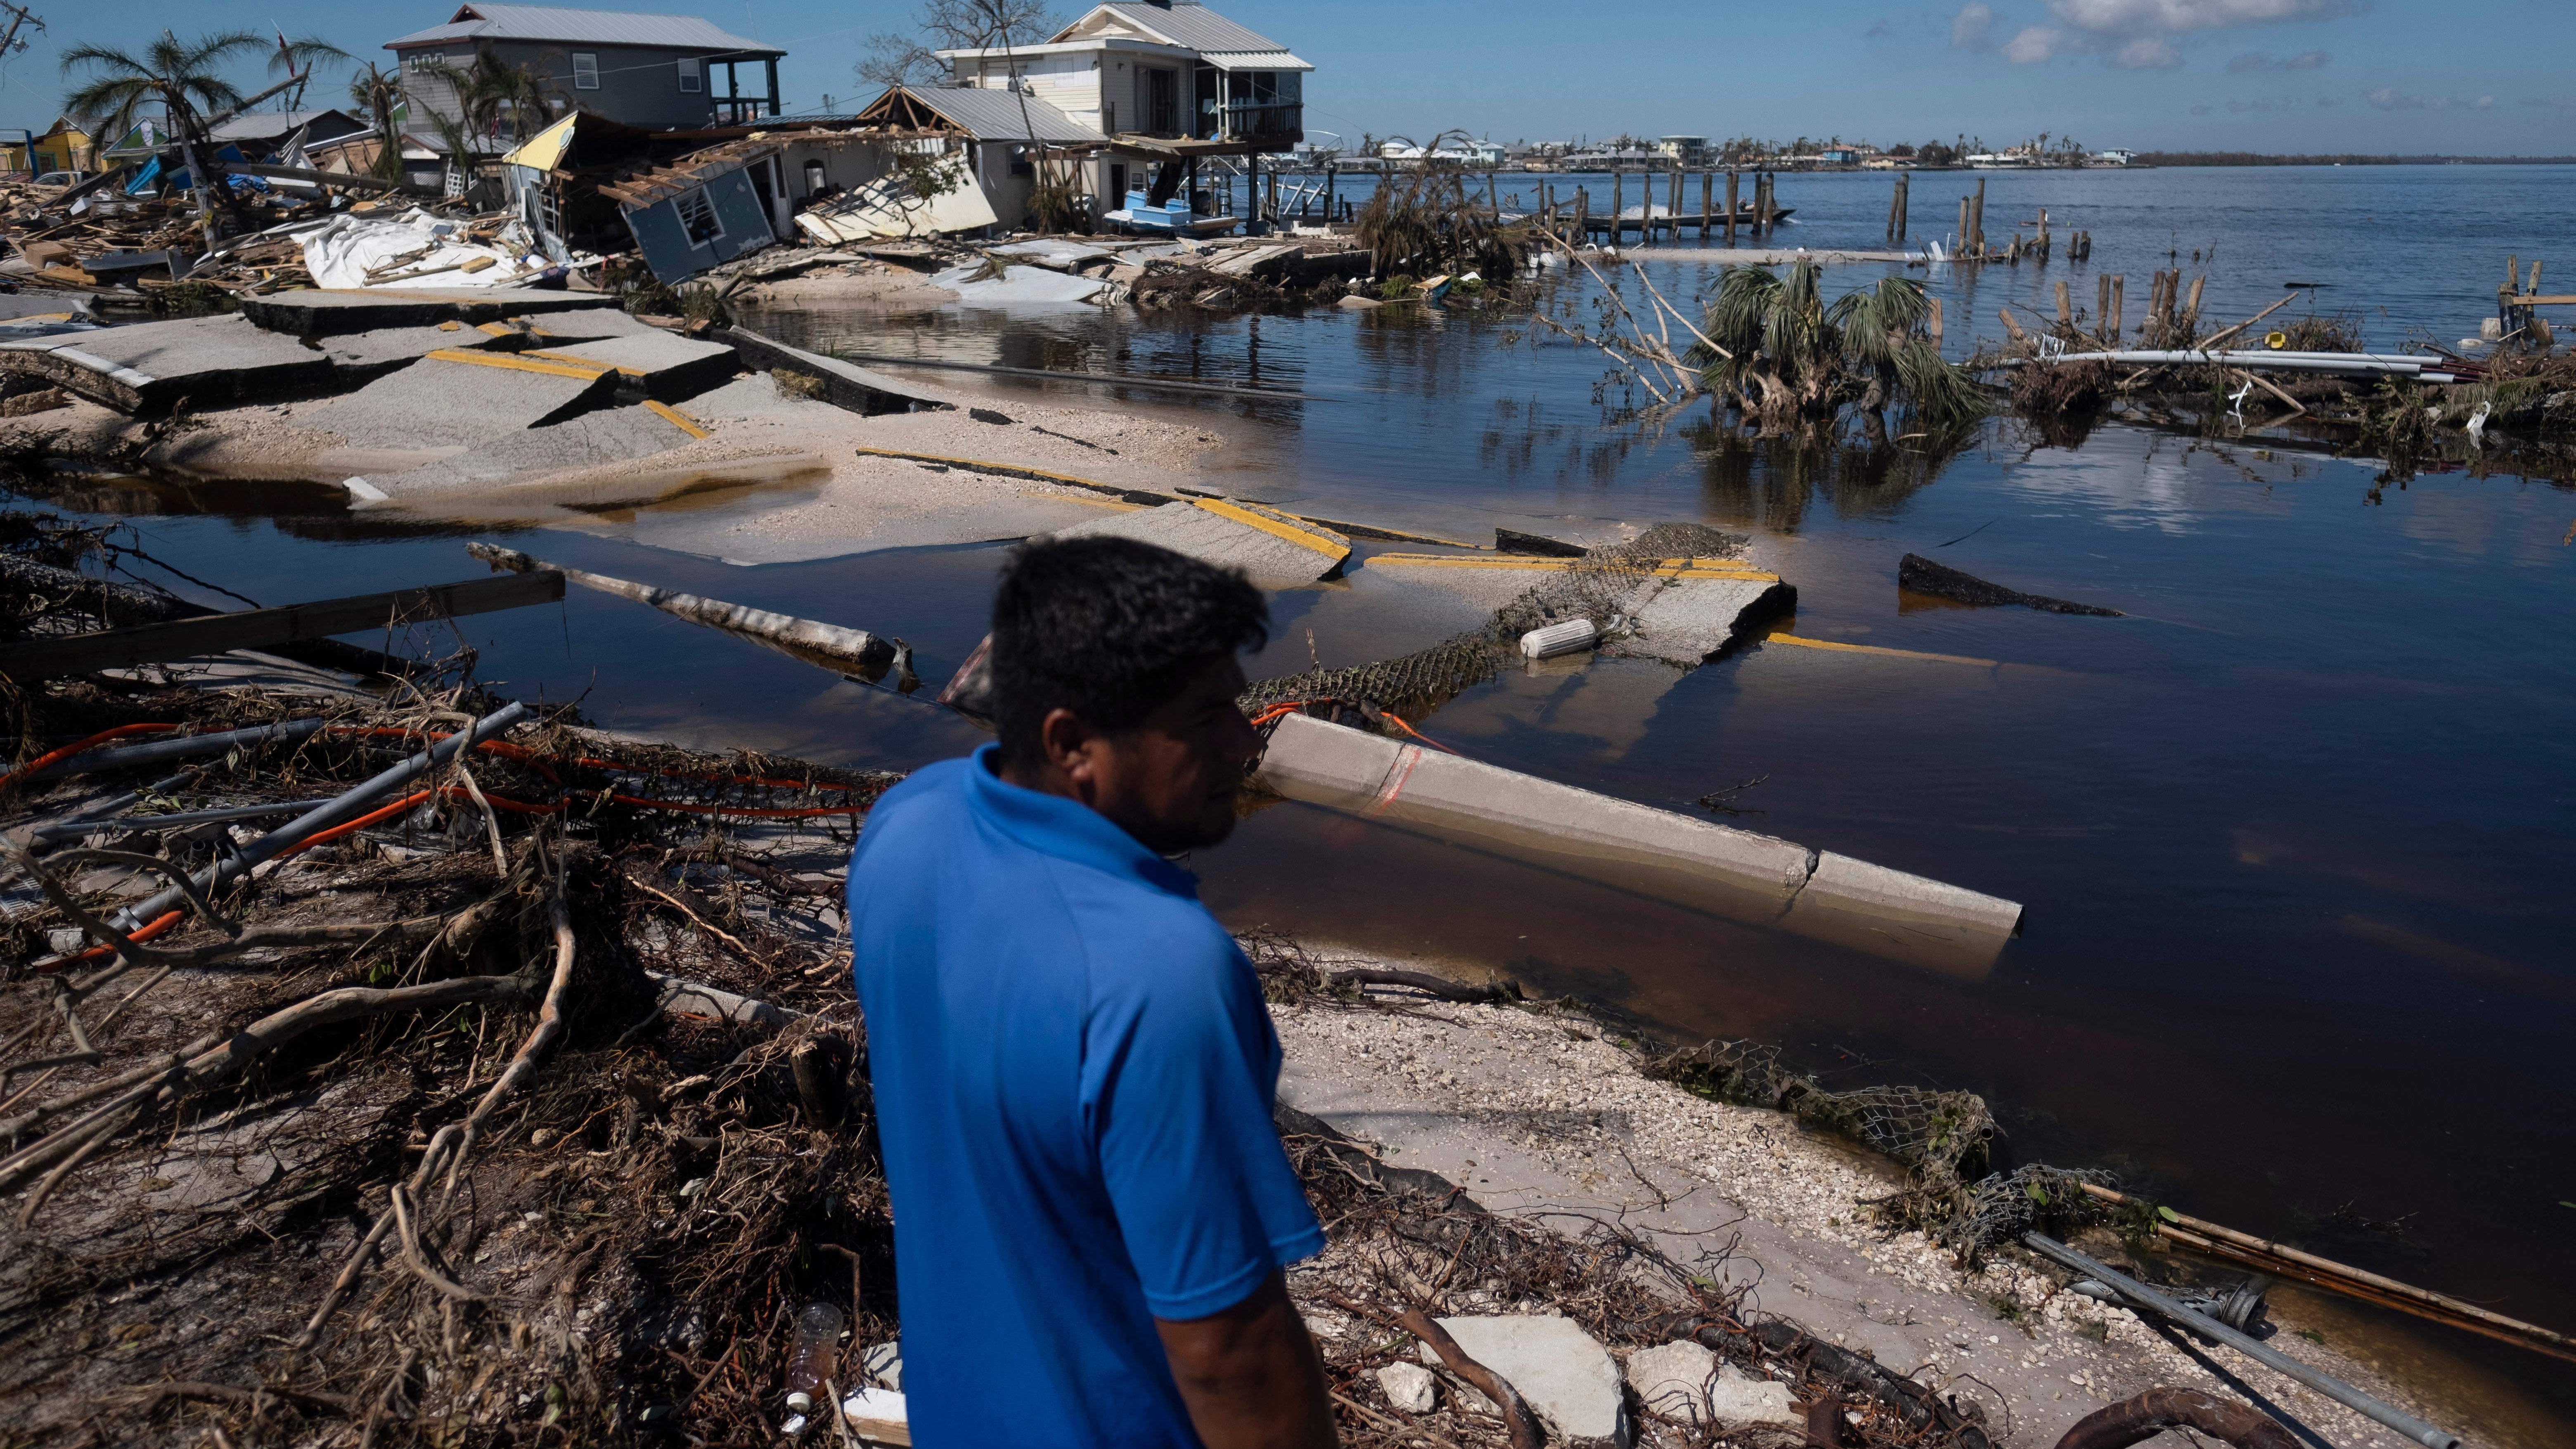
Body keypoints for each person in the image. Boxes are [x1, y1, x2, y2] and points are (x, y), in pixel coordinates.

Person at [846, 536, 1336, 1449]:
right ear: (1073, 743)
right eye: (1204, 719)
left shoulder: (907, 825)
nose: (1247, 739)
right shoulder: (1160, 976)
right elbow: (1229, 1350)